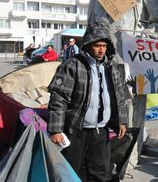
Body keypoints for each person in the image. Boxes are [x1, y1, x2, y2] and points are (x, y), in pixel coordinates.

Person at [48, 22, 128, 181]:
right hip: (76, 131)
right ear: (88, 45)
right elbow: (59, 98)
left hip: (101, 132)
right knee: (71, 172)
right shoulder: (73, 65)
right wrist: (56, 130)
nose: (101, 49)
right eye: (97, 45)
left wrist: (122, 121)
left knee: (100, 173)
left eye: (104, 45)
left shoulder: (111, 67)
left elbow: (120, 96)